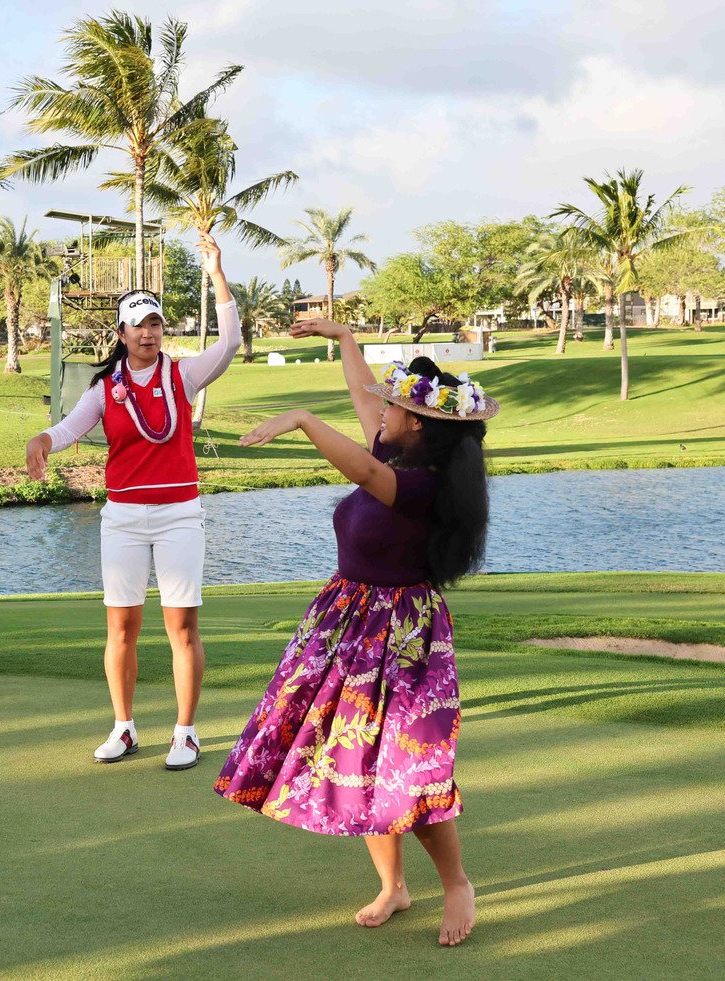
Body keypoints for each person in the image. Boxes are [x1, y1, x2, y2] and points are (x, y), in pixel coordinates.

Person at [212, 316, 498, 946]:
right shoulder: (396, 446)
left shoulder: (421, 484)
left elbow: (364, 476)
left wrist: (302, 419)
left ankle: (456, 884)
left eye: (395, 406)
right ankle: (393, 886)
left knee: (408, 766)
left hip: (402, 635)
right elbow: (364, 395)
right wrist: (344, 338)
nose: (381, 409)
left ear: (417, 423)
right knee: (355, 759)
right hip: (347, 622)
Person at [25, 232, 238, 771]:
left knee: (182, 629)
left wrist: (216, 274)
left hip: (179, 515)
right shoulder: (104, 388)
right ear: (121, 333)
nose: (149, 333)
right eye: (139, 325)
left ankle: (185, 733)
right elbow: (70, 427)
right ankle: (123, 728)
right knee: (121, 628)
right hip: (122, 518)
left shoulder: (183, 374)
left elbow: (230, 343)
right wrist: (43, 440)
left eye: (156, 323)